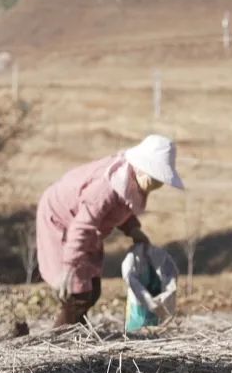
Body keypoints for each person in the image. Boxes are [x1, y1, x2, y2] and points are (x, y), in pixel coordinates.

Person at [35, 135, 184, 327]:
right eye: (155, 178)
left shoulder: (130, 180)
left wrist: (132, 229)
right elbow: (82, 226)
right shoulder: (106, 187)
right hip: (62, 222)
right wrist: (69, 266)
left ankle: (76, 334)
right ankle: (58, 343)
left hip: (82, 228)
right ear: (141, 169)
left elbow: (119, 208)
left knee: (92, 291)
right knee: (77, 295)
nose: (157, 185)